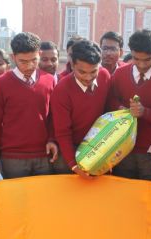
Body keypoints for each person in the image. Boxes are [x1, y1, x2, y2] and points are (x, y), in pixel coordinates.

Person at [108, 29, 151, 181]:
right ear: (130, 52)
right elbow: (110, 103)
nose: (141, 64)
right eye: (136, 59)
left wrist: (144, 112)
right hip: (122, 151)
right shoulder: (119, 74)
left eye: (146, 60)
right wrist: (119, 109)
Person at [0, 32, 57, 179]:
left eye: (34, 60)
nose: (29, 66)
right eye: (23, 61)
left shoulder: (50, 80)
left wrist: (51, 139)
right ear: (13, 58)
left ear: (39, 53)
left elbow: (53, 117)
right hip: (12, 159)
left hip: (45, 155)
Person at [51, 40, 111, 178]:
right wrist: (73, 164)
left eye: (93, 71)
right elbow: (63, 132)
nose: (88, 77)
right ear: (72, 65)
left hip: (99, 148)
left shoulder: (105, 76)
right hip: (70, 150)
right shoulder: (61, 90)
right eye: (82, 72)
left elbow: (109, 114)